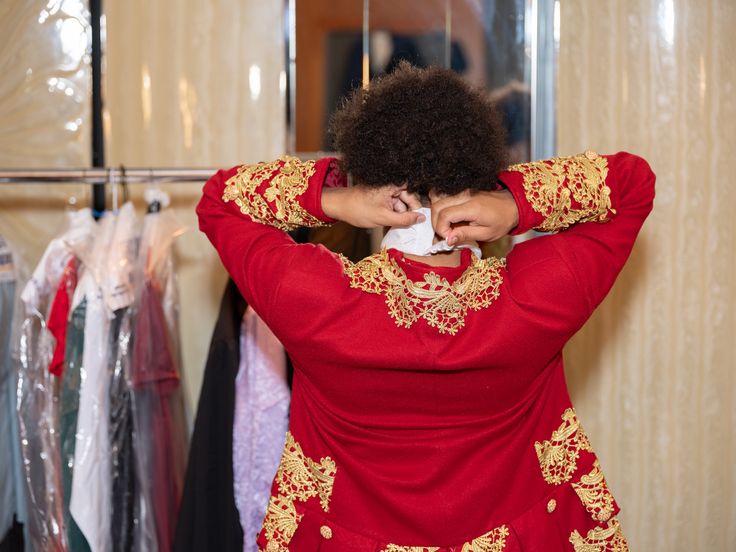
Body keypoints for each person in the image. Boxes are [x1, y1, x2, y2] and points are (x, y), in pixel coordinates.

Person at [197, 62, 654, 552]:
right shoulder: (535, 295)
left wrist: (336, 198)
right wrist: (515, 205)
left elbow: (221, 201)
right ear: (474, 181)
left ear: (375, 184)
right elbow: (631, 185)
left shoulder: (315, 299)